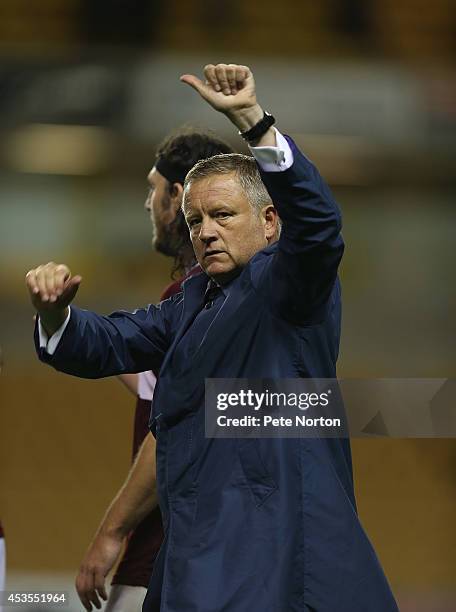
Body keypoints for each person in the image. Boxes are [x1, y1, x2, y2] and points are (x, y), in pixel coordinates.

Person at [26, 63, 398, 611]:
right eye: (196, 221)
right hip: (197, 560)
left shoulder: (289, 286)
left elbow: (318, 225)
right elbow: (110, 339)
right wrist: (56, 316)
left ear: (271, 222)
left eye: (223, 215)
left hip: (276, 564)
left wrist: (252, 120)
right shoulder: (190, 299)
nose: (205, 232)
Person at [74, 129, 234, 612]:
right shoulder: (221, 301)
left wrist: (110, 533)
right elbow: (166, 389)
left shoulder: (200, 299)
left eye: (153, 189)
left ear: (179, 196)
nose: (148, 204)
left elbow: (173, 423)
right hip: (220, 562)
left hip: (166, 566)